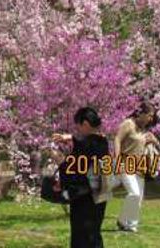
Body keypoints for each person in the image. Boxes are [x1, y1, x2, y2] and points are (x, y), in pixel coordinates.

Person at [52, 106, 111, 248]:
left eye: (78, 126)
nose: (77, 130)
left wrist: (60, 161)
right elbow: (88, 149)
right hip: (99, 197)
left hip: (83, 199)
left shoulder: (85, 146)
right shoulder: (103, 142)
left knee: (82, 238)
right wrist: (71, 138)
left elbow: (75, 175)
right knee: (94, 235)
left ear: (85, 124)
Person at [112, 102, 160, 233]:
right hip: (125, 164)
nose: (151, 119)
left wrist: (154, 141)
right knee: (134, 193)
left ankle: (129, 224)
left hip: (139, 168)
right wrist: (116, 159)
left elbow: (157, 148)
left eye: (152, 116)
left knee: (138, 199)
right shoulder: (128, 124)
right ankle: (123, 222)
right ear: (141, 113)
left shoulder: (144, 130)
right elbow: (117, 139)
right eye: (150, 115)